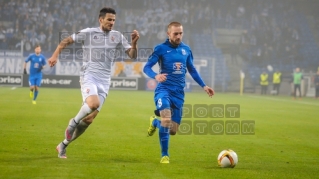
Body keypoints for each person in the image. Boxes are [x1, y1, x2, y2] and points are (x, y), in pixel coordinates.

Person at [47, 7, 139, 158]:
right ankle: (73, 122)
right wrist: (55, 56)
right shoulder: (89, 32)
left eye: (114, 20)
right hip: (89, 75)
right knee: (93, 104)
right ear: (100, 19)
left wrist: (134, 44)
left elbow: (132, 55)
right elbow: (66, 41)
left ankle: (63, 145)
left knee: (89, 119)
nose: (112, 23)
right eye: (109, 19)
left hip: (105, 80)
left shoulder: (117, 36)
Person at [143, 22, 215, 164]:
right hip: (163, 90)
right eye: (175, 33)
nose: (178, 36)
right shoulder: (161, 49)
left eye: (180, 33)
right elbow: (147, 67)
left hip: (178, 94)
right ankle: (165, 155)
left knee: (173, 130)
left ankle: (155, 122)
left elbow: (192, 70)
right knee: (166, 119)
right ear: (168, 34)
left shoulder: (186, 49)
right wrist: (155, 76)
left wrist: (204, 86)